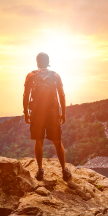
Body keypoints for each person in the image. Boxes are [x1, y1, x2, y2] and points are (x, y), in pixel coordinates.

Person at [23, 52, 70, 181]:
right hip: (53, 113)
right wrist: (63, 113)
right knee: (57, 142)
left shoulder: (31, 76)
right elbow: (61, 95)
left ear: (37, 61)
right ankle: (64, 170)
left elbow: (26, 95)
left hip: (37, 113)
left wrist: (26, 112)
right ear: (48, 61)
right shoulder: (55, 76)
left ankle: (40, 170)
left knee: (39, 141)